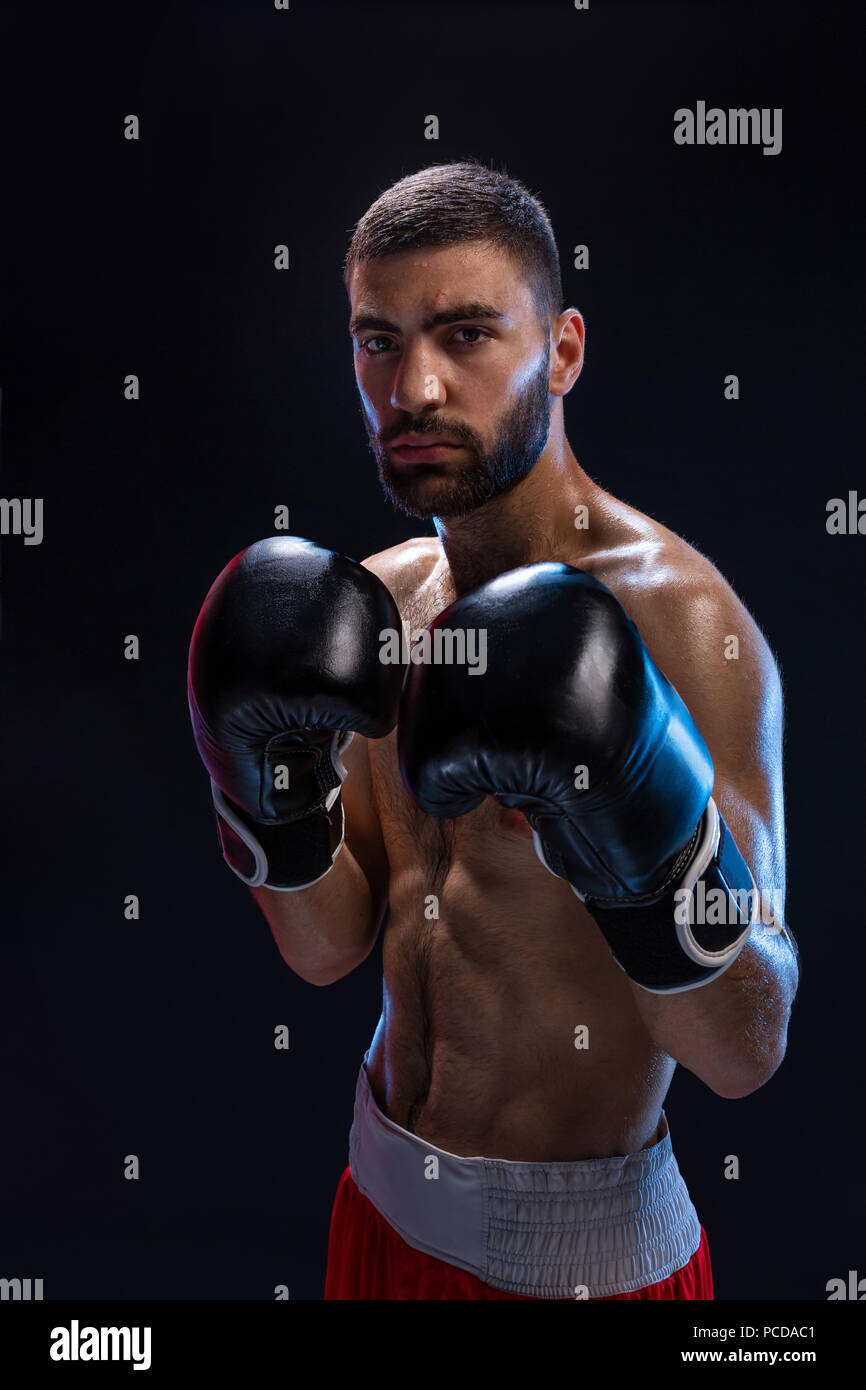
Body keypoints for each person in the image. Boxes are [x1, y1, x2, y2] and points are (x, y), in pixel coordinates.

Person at [188, 160, 799, 1300]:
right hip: (373, 1205)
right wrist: (261, 797)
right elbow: (327, 949)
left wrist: (651, 852)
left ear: (560, 351)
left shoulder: (681, 623)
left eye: (465, 334)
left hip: (574, 1265)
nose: (413, 386)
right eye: (377, 341)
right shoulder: (376, 602)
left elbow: (745, 1047)